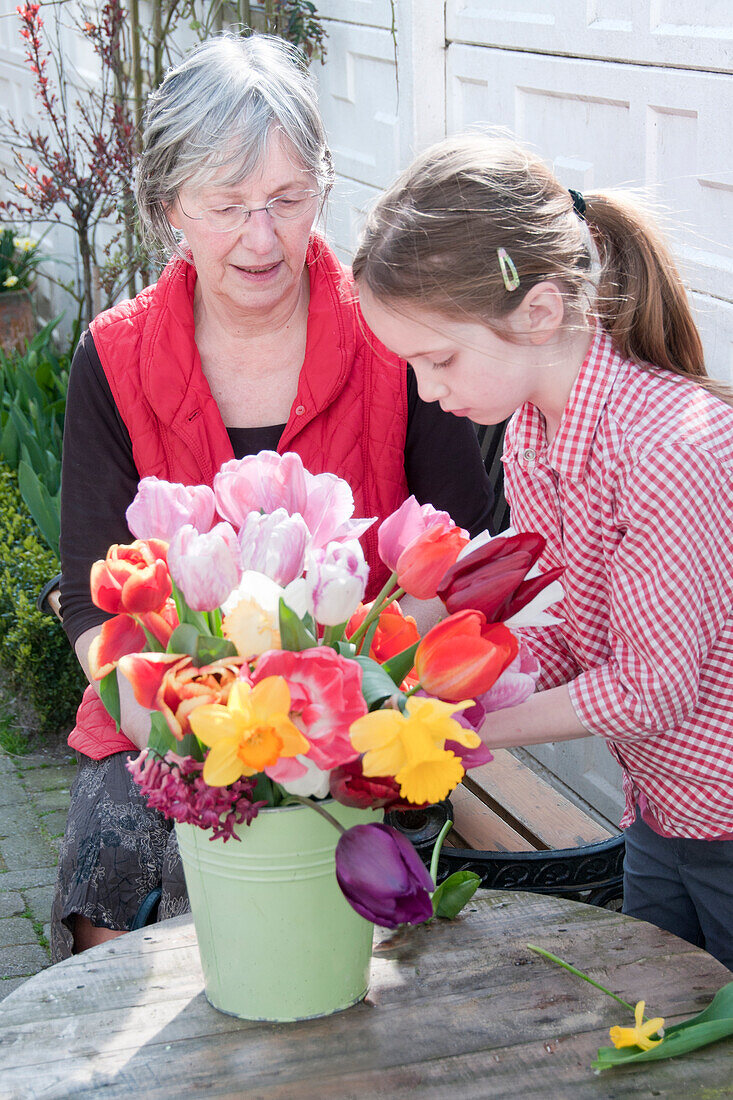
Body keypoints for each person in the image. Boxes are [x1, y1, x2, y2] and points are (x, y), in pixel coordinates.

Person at [51, 37, 494, 962]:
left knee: (368, 938)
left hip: (371, 723)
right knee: (117, 899)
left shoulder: (391, 336)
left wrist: (345, 732)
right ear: (170, 203)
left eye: (288, 200)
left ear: (324, 189)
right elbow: (99, 613)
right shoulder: (116, 357)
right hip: (164, 726)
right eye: (227, 206)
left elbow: (457, 559)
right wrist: (202, 752)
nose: (263, 238)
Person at [352, 130, 733, 969]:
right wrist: (438, 684)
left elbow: (651, 689)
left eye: (438, 357)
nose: (425, 388)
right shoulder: (532, 436)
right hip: (662, 810)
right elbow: (579, 636)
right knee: (661, 1031)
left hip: (724, 817)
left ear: (540, 312)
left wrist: (458, 730)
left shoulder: (666, 447)